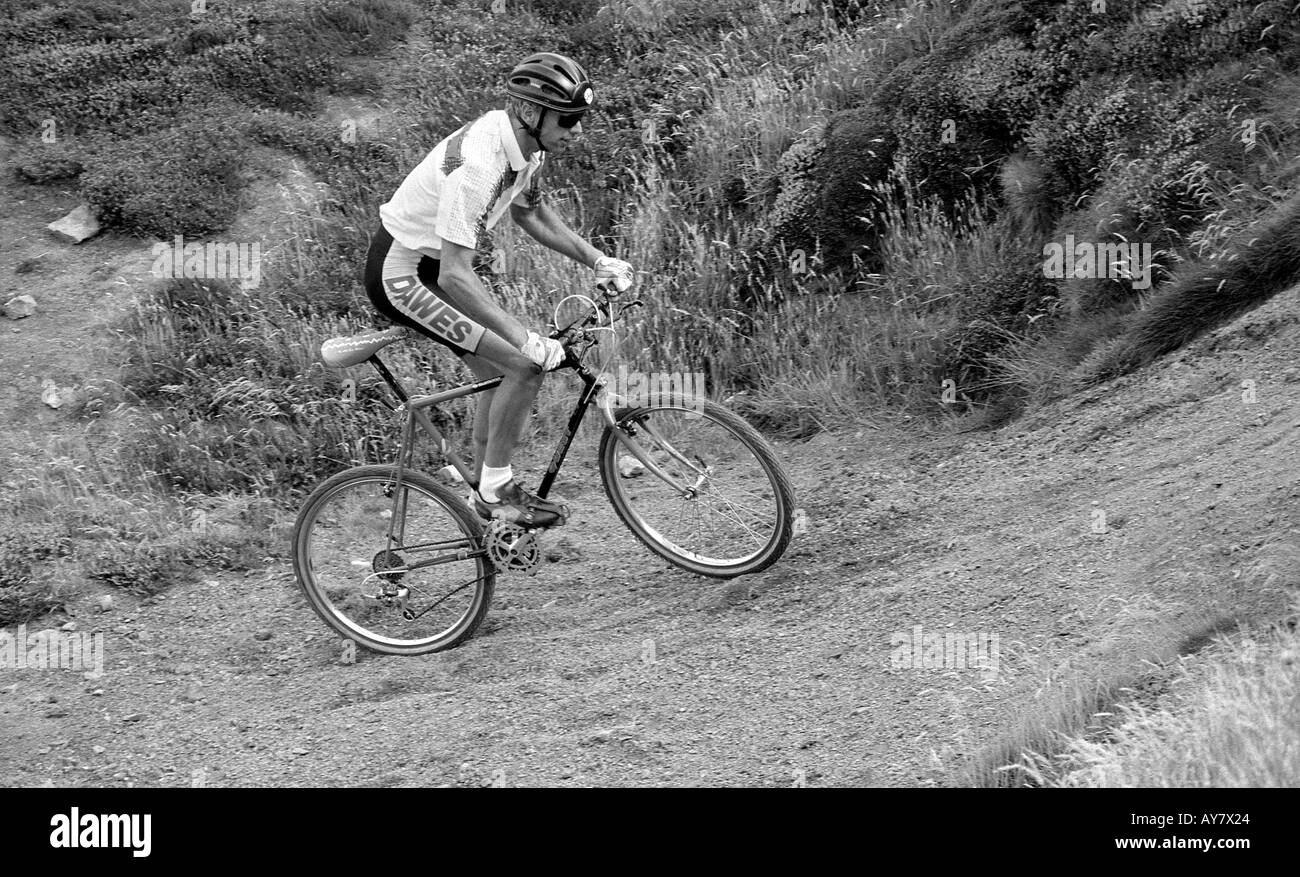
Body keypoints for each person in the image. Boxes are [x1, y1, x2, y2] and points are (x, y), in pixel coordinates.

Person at [365, 52, 633, 528]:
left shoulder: (525, 146)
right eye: (568, 119)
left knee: (496, 366)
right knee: (523, 364)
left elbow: (530, 213)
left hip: (431, 267)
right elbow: (454, 275)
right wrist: (525, 337)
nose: (575, 130)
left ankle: (483, 492)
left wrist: (597, 258)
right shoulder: (478, 164)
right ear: (532, 112)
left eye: (578, 119)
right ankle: (497, 491)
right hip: (401, 274)